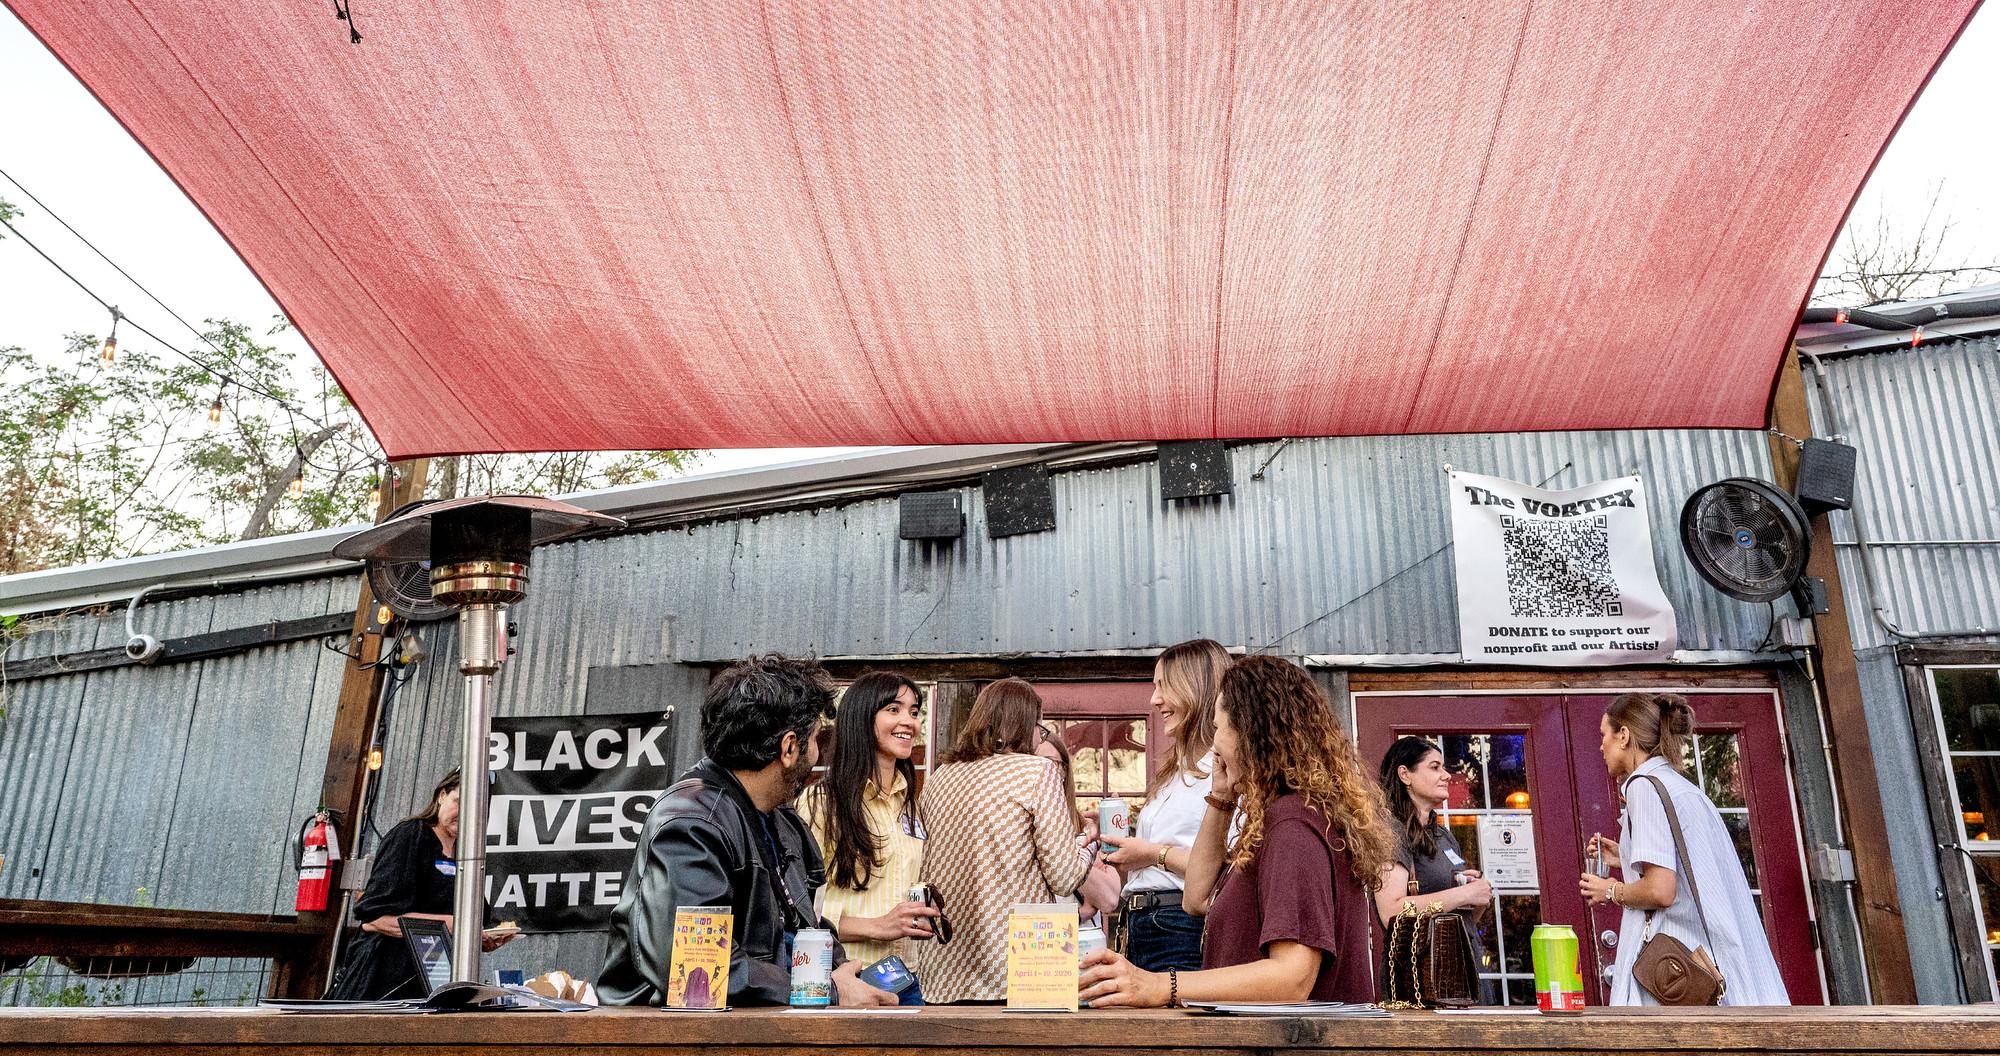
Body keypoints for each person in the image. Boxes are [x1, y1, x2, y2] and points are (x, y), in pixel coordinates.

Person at [1079, 656, 1394, 1007]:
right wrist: (1221, 799)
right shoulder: (1281, 816)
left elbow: (1292, 978)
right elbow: (1196, 898)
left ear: (1250, 732)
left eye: (1218, 729)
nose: (1213, 746)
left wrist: (1159, 985)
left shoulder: (1293, 825)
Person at [599, 653, 898, 1007]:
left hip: (763, 1028)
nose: (819, 752)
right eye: (817, 739)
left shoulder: (785, 823)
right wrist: (825, 991)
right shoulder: (692, 824)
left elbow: (809, 925)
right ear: (789, 747)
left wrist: (845, 972)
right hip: (681, 1039)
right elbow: (696, 968)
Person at [914, 678, 1122, 1002]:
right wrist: (1088, 841)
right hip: (1023, 965)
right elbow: (1065, 877)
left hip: (943, 969)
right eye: (1038, 724)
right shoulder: (1037, 770)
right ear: (1024, 723)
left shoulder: (941, 775)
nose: (1040, 734)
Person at [1579, 692, 1789, 1006]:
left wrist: (1610, 890)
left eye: (1604, 735)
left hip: (1678, 974)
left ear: (1623, 735)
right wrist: (1625, 855)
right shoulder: (1681, 788)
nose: (1601, 746)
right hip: (1718, 965)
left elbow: (1662, 890)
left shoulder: (1643, 786)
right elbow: (1693, 867)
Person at [801, 671, 942, 1005]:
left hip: (905, 979)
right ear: (862, 717)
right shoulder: (820, 803)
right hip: (844, 981)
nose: (909, 720)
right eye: (894, 709)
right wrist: (877, 925)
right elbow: (798, 912)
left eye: (914, 711)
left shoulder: (909, 806)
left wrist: (921, 910)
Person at [1099, 639, 1231, 973]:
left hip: (1183, 927)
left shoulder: (1226, 769)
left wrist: (1153, 854)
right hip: (1139, 925)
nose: (1154, 699)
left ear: (1196, 689)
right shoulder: (1176, 770)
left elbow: (1231, 869)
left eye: (1164, 686)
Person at [326, 769, 515, 999]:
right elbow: (375, 919)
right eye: (459, 801)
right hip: (382, 982)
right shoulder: (410, 835)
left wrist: (482, 938)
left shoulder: (467, 855)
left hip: (433, 982)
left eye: (478, 809)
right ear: (441, 795)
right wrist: (452, 924)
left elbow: (470, 922)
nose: (466, 813)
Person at [1375, 736, 1494, 1001]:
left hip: (1465, 970)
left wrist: (1475, 897)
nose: (1447, 775)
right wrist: (1463, 895)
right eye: (1435, 767)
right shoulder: (1391, 834)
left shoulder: (1444, 836)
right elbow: (1391, 911)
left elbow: (1456, 922)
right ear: (1405, 775)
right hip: (1424, 982)